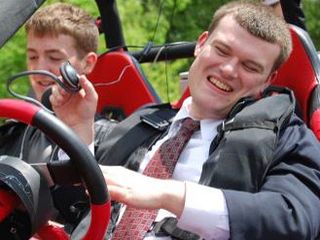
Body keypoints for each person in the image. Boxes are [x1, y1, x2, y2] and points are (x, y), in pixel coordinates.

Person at [50, 1, 320, 239]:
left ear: (268, 81)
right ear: (201, 44)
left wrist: (168, 194)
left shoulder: (287, 138)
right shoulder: (144, 121)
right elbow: (73, 205)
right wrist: (78, 128)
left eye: (250, 66)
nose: (228, 70)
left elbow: (295, 218)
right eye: (222, 51)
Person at [0, 2, 116, 232]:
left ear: (88, 62)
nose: (40, 68)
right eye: (32, 57)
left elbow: (87, 214)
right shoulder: (15, 130)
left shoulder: (112, 141)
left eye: (54, 58)